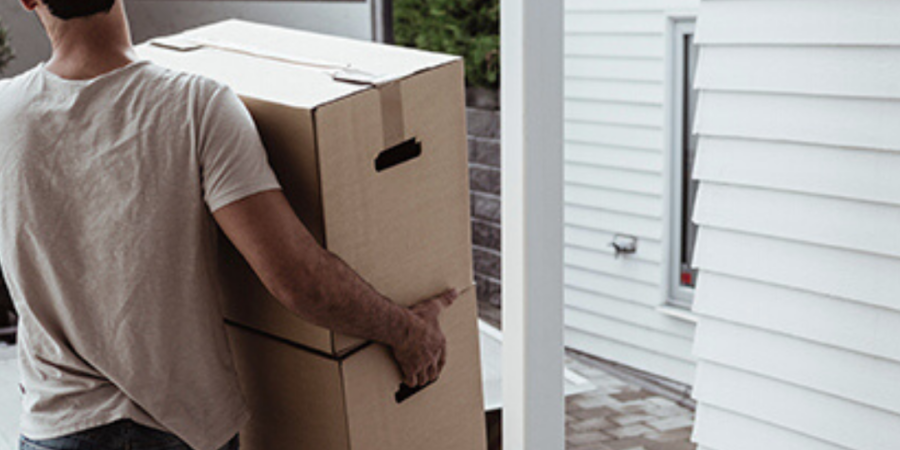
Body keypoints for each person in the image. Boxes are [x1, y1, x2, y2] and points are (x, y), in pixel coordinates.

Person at [0, 0, 457, 449]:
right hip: (178, 431)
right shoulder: (194, 104)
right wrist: (408, 332)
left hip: (56, 428)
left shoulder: (5, 114)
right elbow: (298, 279)